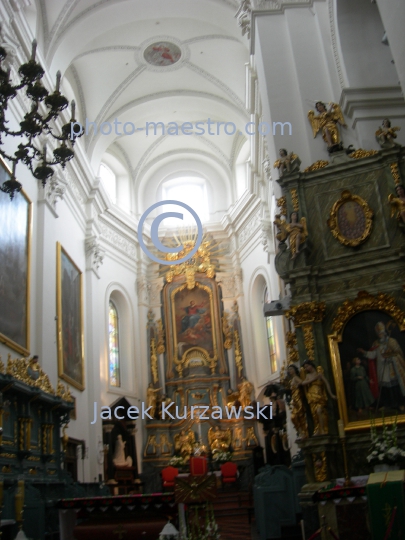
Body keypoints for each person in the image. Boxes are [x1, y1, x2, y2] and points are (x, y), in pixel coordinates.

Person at [358, 321, 405, 410]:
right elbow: (373, 355)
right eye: (379, 333)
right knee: (384, 388)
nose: (380, 335)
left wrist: (390, 356)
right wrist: (364, 352)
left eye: (382, 333)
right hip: (381, 368)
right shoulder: (376, 343)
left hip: (391, 367)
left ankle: (399, 404)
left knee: (394, 388)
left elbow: (398, 354)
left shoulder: (391, 341)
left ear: (384, 332)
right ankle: (387, 405)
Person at [298, 360, 336, 435]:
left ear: (311, 365)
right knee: (314, 414)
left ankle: (322, 429)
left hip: (319, 396)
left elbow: (327, 384)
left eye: (306, 366)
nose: (306, 368)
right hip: (312, 397)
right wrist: (314, 378)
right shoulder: (308, 376)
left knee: (319, 411)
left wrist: (331, 394)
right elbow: (303, 383)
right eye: (305, 367)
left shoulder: (319, 374)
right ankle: (318, 429)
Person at [287, 365, 308, 439]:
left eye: (291, 369)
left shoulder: (296, 377)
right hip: (294, 399)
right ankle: (300, 432)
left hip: (298, 398)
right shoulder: (292, 379)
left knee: (300, 414)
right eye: (289, 369)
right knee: (293, 417)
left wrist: (297, 385)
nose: (290, 371)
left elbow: (302, 382)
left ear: (295, 370)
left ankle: (304, 432)